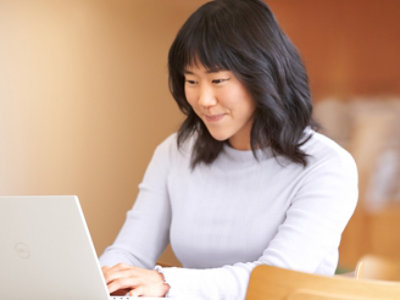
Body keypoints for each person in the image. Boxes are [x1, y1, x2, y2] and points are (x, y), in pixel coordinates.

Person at [100, 0, 358, 299]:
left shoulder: (327, 166)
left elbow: (275, 280)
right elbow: (130, 251)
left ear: (264, 75)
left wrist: (167, 283)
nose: (204, 99)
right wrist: (100, 280)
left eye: (218, 80)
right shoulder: (175, 153)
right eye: (191, 80)